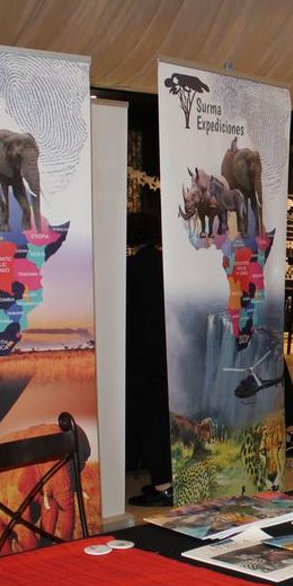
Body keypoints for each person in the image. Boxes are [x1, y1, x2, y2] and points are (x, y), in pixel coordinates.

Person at [126, 211, 173, 507]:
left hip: (142, 357)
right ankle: (169, 479)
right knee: (167, 417)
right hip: (169, 354)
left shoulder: (130, 269)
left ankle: (163, 484)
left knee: (150, 419)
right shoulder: (168, 266)